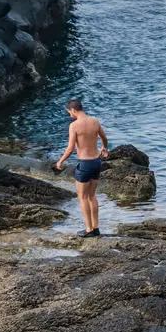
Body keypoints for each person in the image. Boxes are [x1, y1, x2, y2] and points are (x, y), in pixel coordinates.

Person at [53, 98, 108, 237]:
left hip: (84, 164)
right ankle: (96, 228)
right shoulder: (94, 121)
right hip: (96, 162)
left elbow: (70, 148)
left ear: (73, 110)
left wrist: (60, 161)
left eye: (69, 112)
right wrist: (105, 148)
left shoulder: (74, 125)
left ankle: (89, 229)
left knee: (82, 197)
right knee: (92, 196)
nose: (70, 115)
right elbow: (104, 137)